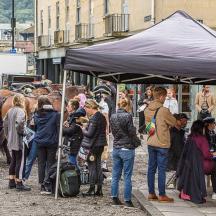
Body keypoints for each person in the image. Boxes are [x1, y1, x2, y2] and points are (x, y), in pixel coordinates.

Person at [144, 87, 176, 202]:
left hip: (151, 141)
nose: (166, 98)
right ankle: (162, 195)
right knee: (161, 169)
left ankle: (151, 193)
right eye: (165, 96)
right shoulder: (164, 110)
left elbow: (149, 127)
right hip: (162, 143)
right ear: (161, 97)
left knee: (151, 168)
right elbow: (173, 122)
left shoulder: (147, 109)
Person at [177, 120, 216, 202]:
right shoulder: (202, 139)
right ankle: (215, 192)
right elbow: (207, 155)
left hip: (190, 165)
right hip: (201, 165)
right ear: (201, 129)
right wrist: (213, 154)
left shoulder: (190, 138)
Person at [110, 98, 137, 207]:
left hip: (116, 147)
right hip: (127, 148)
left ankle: (114, 198)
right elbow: (131, 132)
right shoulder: (128, 116)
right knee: (127, 175)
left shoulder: (113, 116)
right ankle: (127, 200)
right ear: (127, 106)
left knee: (115, 175)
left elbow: (113, 131)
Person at [3, 94, 31, 191]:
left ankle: (11, 181)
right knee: (21, 161)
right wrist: (22, 132)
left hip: (11, 139)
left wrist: (7, 135)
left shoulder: (10, 110)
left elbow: (5, 124)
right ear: (22, 101)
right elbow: (19, 123)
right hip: (19, 140)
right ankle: (19, 182)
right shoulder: (21, 111)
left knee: (14, 160)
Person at [33, 95, 60, 194]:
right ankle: (48, 184)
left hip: (40, 141)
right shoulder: (56, 114)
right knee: (50, 164)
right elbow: (58, 129)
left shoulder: (36, 114)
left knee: (41, 164)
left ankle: (42, 185)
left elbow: (34, 127)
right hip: (51, 141)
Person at [81, 99, 107, 196]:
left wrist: (83, 129)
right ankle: (99, 189)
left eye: (86, 108)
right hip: (100, 144)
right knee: (98, 166)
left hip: (93, 145)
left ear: (91, 107)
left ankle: (92, 188)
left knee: (92, 167)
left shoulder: (95, 118)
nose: (86, 111)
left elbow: (89, 134)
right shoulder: (102, 117)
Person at [63, 99, 86, 166]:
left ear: (73, 107)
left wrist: (62, 128)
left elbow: (71, 130)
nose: (67, 107)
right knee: (72, 162)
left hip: (74, 142)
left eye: (68, 106)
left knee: (72, 163)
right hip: (71, 141)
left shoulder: (76, 117)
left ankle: (76, 175)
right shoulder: (71, 116)